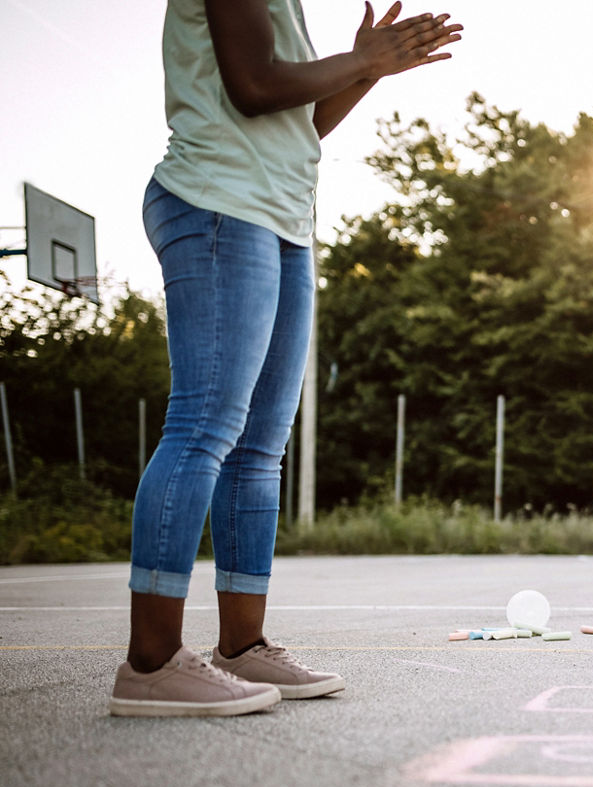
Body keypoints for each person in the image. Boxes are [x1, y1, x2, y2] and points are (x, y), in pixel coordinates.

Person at [109, 0, 463, 717]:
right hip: (217, 203)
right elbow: (253, 85)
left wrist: (369, 71)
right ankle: (150, 663)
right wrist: (363, 58)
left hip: (283, 217)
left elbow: (301, 121)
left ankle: (242, 646)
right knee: (206, 425)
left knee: (259, 448)